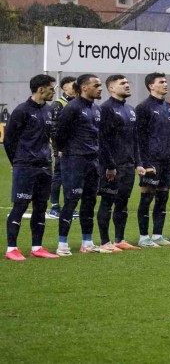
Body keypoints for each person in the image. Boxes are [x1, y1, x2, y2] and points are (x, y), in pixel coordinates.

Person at [4, 74, 59, 260]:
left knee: (41, 207)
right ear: (40, 89)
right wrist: (18, 163)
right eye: (52, 88)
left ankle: (37, 247)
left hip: (45, 166)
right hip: (26, 167)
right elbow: (9, 140)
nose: (54, 91)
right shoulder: (22, 110)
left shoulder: (49, 110)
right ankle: (12, 248)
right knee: (20, 206)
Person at [54, 74, 105, 255]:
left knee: (90, 202)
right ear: (84, 88)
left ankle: (87, 242)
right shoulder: (72, 107)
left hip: (93, 161)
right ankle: (62, 244)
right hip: (75, 160)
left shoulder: (97, 109)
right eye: (96, 85)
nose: (100, 88)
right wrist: (64, 150)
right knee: (71, 200)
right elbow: (60, 133)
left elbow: (99, 136)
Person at [96, 75, 145, 252]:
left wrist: (138, 162)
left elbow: (135, 139)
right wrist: (110, 165)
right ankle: (104, 241)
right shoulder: (106, 109)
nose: (127, 85)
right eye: (122, 83)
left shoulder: (130, 110)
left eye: (127, 82)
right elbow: (102, 140)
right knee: (107, 203)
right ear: (111, 88)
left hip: (128, 166)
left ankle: (120, 239)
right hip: (111, 167)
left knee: (122, 204)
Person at [135, 72, 170, 248]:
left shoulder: (169, 107)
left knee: (163, 198)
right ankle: (143, 237)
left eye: (166, 81)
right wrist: (144, 162)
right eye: (161, 82)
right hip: (151, 160)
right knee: (147, 198)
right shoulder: (143, 107)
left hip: (167, 160)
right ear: (151, 86)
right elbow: (139, 137)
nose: (165, 84)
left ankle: (157, 235)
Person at [48, 75, 76, 219]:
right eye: (73, 85)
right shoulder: (58, 104)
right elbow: (54, 129)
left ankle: (68, 207)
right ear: (64, 87)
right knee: (59, 175)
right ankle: (54, 206)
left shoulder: (79, 103)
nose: (76, 88)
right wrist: (58, 148)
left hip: (76, 149)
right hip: (62, 148)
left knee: (71, 177)